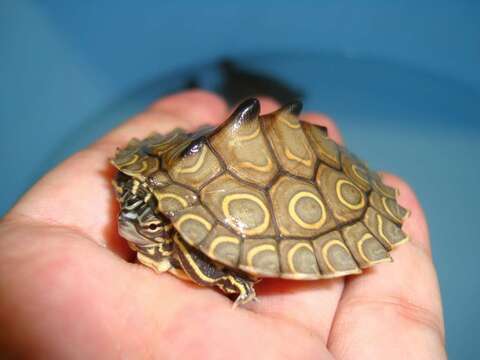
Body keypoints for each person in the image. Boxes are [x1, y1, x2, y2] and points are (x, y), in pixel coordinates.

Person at [0, 90, 446, 359]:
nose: (134, 225)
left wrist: (227, 271)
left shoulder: (196, 245)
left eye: (154, 225)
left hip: (324, 185)